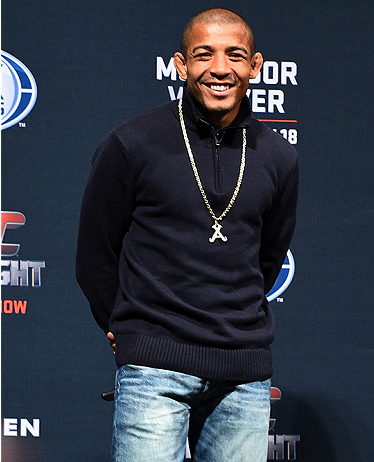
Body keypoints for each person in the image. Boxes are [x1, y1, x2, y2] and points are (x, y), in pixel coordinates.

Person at [76, 8, 298, 462]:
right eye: (204, 55)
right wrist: (124, 326)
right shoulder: (131, 143)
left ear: (255, 67)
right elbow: (95, 253)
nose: (220, 69)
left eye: (235, 55)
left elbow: (268, 258)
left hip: (244, 371)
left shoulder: (278, 156)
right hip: (153, 368)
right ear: (181, 65)